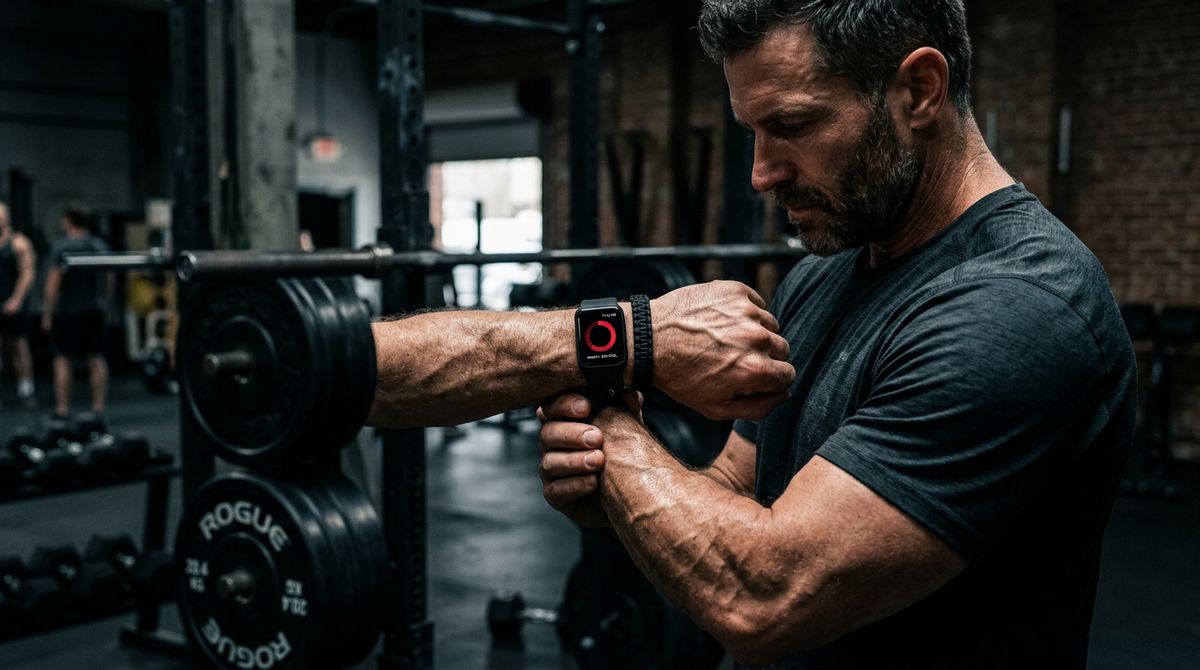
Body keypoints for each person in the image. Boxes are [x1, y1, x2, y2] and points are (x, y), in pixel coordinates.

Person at [535, 2, 1136, 668]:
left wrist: (613, 436)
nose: (763, 172)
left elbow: (760, 594)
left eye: (791, 125)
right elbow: (735, 484)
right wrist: (632, 498)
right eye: (753, 132)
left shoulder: (1020, 307)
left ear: (919, 90)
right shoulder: (823, 276)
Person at [42, 205, 113, 419]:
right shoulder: (98, 245)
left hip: (68, 312)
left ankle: (63, 409)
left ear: (68, 220)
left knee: (63, 359)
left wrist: (47, 312)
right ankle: (98, 408)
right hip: (93, 308)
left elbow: (53, 283)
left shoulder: (61, 247)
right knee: (96, 358)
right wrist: (105, 301)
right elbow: (110, 274)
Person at [0, 201, 37, 409]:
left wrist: (17, 299)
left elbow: (27, 272)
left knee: (18, 347)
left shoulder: (19, 243)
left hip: (14, 303)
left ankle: (25, 390)